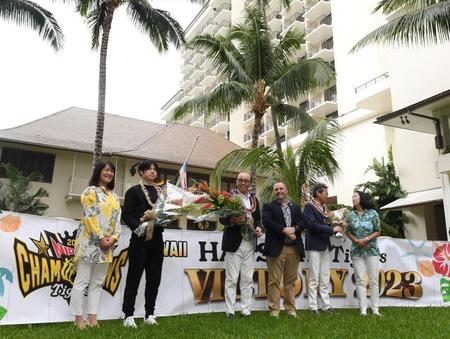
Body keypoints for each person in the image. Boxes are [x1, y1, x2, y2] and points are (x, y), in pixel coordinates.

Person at [70, 161, 122, 329]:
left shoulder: (114, 196)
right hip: (89, 243)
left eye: (112, 171)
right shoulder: (89, 191)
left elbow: (117, 221)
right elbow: (90, 216)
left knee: (98, 282)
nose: (109, 173)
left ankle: (93, 318)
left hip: (107, 246)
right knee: (82, 281)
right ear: (99, 171)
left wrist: (113, 238)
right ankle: (78, 318)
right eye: (106, 170)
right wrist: (100, 237)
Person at [122, 160, 164, 328]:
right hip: (139, 240)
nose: (153, 172)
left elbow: (166, 213)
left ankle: (150, 313)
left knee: (154, 278)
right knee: (134, 277)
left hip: (157, 239)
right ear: (141, 172)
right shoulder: (133, 191)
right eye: (149, 169)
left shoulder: (162, 192)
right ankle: (128, 315)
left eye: (155, 169)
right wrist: (139, 227)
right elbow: (127, 214)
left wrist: (162, 219)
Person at [220, 171, 262, 319]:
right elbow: (222, 218)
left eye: (246, 181)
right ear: (236, 181)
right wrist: (232, 220)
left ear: (250, 183)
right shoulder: (230, 198)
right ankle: (230, 311)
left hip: (249, 243)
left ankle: (246, 310)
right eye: (240, 180)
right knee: (231, 279)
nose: (243, 183)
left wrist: (259, 228)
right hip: (233, 243)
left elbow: (258, 220)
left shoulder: (254, 200)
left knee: (247, 279)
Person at [262, 181, 305, 318]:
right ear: (274, 192)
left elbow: (303, 222)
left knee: (290, 281)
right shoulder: (269, 206)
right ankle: (274, 310)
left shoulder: (296, 207)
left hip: (293, 249)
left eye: (281, 188)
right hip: (276, 248)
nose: (279, 191)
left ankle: (290, 309)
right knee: (274, 280)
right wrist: (284, 230)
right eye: (276, 189)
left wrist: (295, 229)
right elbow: (267, 222)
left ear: (286, 190)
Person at [303, 183, 342, 315]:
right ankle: (313, 307)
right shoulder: (309, 206)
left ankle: (326, 305)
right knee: (314, 277)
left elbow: (325, 224)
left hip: (325, 245)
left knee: (325, 277)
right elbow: (312, 225)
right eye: (326, 193)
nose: (327, 195)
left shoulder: (324, 208)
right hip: (314, 245)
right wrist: (332, 229)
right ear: (318, 193)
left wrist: (337, 224)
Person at [346, 191, 382, 317]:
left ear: (361, 198)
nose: (353, 198)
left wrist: (365, 240)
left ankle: (375, 309)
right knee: (360, 280)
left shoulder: (373, 213)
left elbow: (378, 231)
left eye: (355, 196)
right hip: (357, 251)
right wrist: (357, 241)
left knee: (373, 280)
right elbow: (347, 231)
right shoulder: (350, 215)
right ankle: (363, 309)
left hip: (371, 250)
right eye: (352, 197)